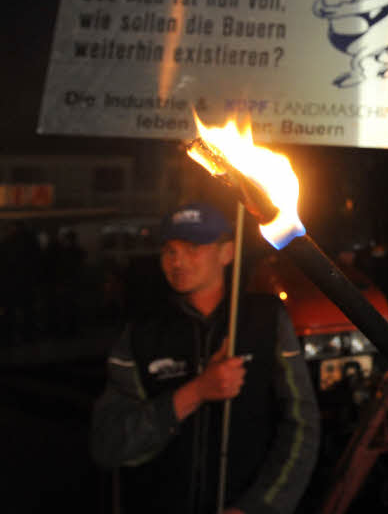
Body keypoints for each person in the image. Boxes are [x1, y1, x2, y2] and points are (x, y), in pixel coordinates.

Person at [90, 202, 320, 514]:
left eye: (193, 247)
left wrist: (259, 508)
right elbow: (108, 444)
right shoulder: (141, 334)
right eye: (169, 249)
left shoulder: (265, 320)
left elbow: (302, 425)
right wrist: (196, 391)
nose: (177, 260)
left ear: (228, 253)